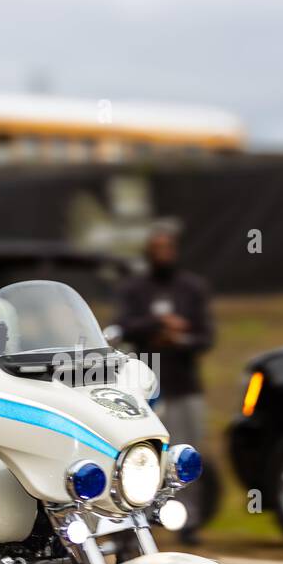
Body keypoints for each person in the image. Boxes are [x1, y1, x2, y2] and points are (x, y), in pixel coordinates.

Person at [116, 218, 215, 543]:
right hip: (147, 385)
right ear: (149, 252)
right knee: (145, 455)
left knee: (187, 455)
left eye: (168, 248)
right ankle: (139, 521)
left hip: (184, 382)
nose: (163, 254)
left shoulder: (191, 288)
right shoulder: (135, 288)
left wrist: (180, 337)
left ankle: (188, 522)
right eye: (157, 248)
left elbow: (205, 337)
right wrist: (157, 324)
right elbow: (123, 327)